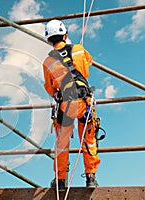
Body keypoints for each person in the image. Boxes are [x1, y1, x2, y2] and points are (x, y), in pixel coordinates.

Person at [42, 19, 100, 191]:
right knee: (88, 140)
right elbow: (88, 63)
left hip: (65, 105)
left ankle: (60, 181)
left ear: (49, 40)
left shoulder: (48, 62)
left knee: (62, 143)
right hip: (84, 103)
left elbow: (50, 88)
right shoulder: (79, 50)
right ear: (65, 35)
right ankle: (90, 177)